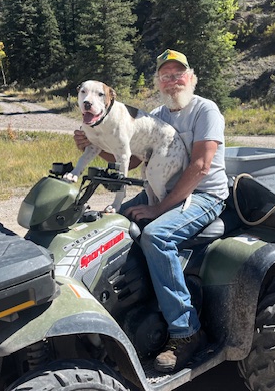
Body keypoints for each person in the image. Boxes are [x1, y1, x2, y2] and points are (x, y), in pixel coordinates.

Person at [73, 49, 229, 372]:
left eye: (178, 74)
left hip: (203, 196)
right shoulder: (159, 114)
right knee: (110, 222)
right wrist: (92, 146)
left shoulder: (205, 110)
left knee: (156, 236)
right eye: (166, 76)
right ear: (159, 81)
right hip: (163, 194)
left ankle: (186, 331)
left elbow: (200, 166)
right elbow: (128, 159)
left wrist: (158, 209)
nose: (173, 82)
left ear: (191, 77)